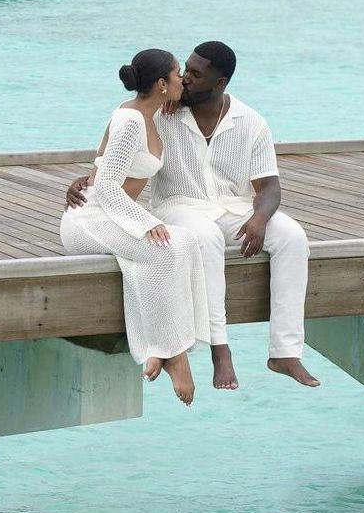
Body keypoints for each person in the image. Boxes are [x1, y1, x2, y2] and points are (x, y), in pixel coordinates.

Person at [67, 41, 320, 389]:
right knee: (204, 238)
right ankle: (220, 348)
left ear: (220, 83)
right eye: (183, 70)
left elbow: (270, 187)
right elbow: (117, 149)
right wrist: (88, 180)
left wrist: (259, 219)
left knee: (293, 236)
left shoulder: (251, 122)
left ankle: (286, 352)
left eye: (196, 74)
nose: (185, 79)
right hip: (179, 206)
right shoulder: (163, 110)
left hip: (234, 208)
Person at [60, 48, 210, 407]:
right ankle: (175, 356)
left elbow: (100, 166)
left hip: (112, 213)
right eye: (177, 74)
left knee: (186, 243)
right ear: (161, 83)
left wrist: (88, 179)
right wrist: (146, 222)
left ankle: (162, 345)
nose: (182, 79)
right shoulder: (129, 121)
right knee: (164, 249)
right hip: (90, 219)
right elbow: (108, 185)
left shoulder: (148, 114)